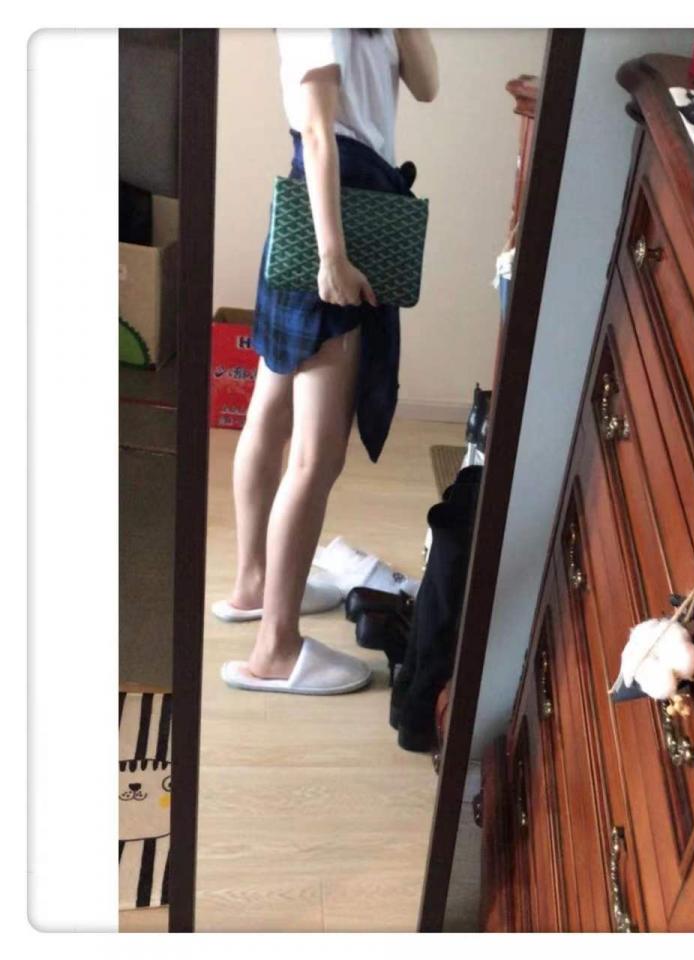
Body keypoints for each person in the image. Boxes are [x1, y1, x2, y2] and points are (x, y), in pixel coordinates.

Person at [218, 29, 438, 696]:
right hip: (332, 219)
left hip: (335, 211)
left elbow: (427, 85)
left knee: (272, 412)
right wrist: (332, 256)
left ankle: (255, 585)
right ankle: (274, 651)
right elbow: (318, 131)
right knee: (316, 456)